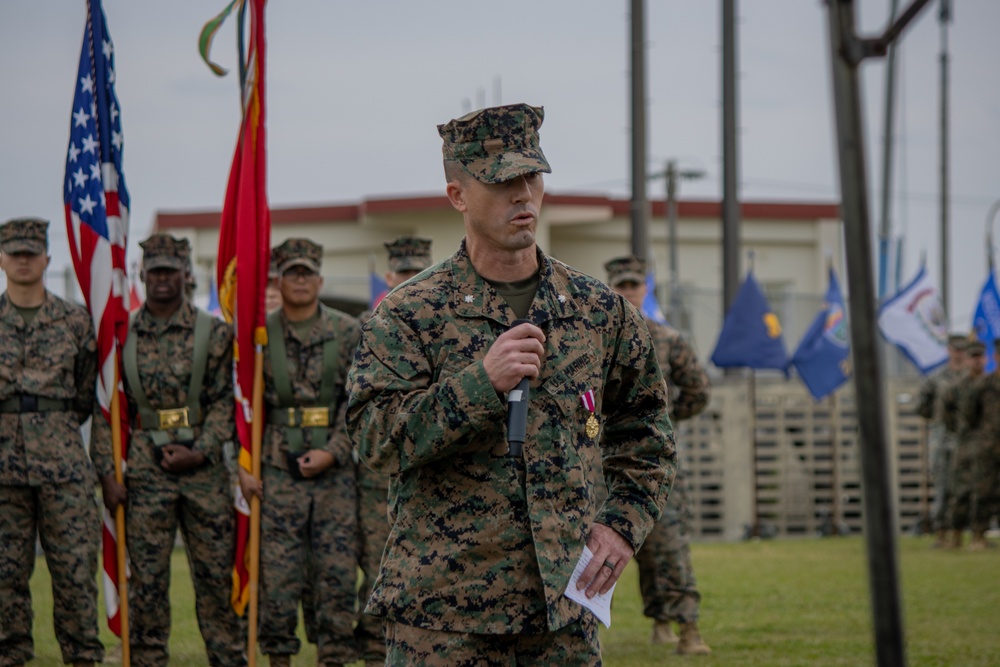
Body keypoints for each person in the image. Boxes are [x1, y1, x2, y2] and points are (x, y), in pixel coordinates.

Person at [346, 103, 676, 665]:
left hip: (561, 615)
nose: (523, 195)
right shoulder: (408, 314)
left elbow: (647, 434)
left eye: (533, 177)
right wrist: (480, 385)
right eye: (502, 183)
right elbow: (375, 439)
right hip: (442, 617)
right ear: (458, 195)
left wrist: (622, 527)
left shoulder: (599, 311)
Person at [95, 233, 246, 667]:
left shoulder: (215, 333)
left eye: (170, 270)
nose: (162, 277)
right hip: (144, 473)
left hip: (204, 473)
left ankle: (228, 657)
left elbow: (226, 401)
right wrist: (107, 474)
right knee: (147, 579)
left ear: (185, 274)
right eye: (155, 270)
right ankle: (146, 658)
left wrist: (202, 450)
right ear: (142, 274)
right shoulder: (120, 335)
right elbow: (107, 409)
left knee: (215, 577)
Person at [237, 239, 361, 667]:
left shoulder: (348, 331)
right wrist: (243, 465)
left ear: (320, 280)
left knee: (337, 574)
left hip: (334, 474)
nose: (302, 280)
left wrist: (334, 451)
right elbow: (243, 404)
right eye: (293, 273)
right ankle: (279, 658)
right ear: (278, 281)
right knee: (278, 575)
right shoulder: (258, 336)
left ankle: (334, 657)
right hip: (276, 471)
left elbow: (358, 401)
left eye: (308, 273)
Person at [0, 217, 105, 667]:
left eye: (31, 252)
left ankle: (82, 656)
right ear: (2, 259)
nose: (23, 260)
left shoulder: (76, 320)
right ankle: (9, 655)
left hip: (64, 468)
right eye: (15, 253)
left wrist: (50, 424)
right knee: (4, 574)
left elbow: (85, 396)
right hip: (3, 466)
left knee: (75, 571)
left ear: (47, 258)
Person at [604, 255, 712, 655]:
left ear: (644, 289)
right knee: (588, 546)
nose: (627, 292)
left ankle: (687, 628)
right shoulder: (595, 338)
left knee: (666, 545)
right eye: (620, 285)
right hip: (598, 462)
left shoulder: (667, 339)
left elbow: (698, 389)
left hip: (651, 461)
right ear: (610, 288)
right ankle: (581, 635)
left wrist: (666, 421)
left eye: (633, 285)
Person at [353, 236, 434, 667]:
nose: (411, 278)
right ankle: (372, 648)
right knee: (375, 561)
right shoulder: (369, 326)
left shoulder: (447, 321)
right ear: (389, 276)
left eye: (418, 270)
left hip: (429, 469)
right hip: (376, 470)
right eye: (404, 272)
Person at [916, 334, 969, 547]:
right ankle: (941, 533)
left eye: (962, 350)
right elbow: (922, 406)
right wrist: (940, 420)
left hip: (967, 440)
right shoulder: (936, 378)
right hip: (942, 440)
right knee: (943, 488)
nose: (959, 354)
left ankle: (960, 533)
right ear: (949, 350)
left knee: (964, 489)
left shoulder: (972, 379)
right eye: (956, 349)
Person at [954, 339, 1000, 550]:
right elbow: (968, 415)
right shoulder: (984, 385)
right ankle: (978, 536)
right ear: (995, 357)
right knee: (983, 492)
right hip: (987, 448)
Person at [941, 339, 985, 549]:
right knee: (959, 490)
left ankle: (979, 535)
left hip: (988, 446)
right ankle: (955, 535)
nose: (977, 361)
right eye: (973, 357)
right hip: (964, 444)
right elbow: (946, 414)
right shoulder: (956, 387)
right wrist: (960, 433)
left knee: (985, 491)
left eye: (980, 357)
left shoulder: (991, 384)